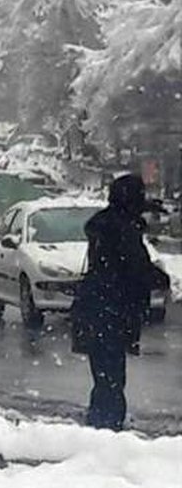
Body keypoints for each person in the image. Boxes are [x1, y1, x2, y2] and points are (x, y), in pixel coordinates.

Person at [71, 174, 171, 430]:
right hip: (111, 310)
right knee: (112, 378)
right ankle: (107, 430)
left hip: (96, 308)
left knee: (104, 375)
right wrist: (162, 279)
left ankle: (100, 424)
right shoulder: (122, 229)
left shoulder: (107, 225)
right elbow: (136, 267)